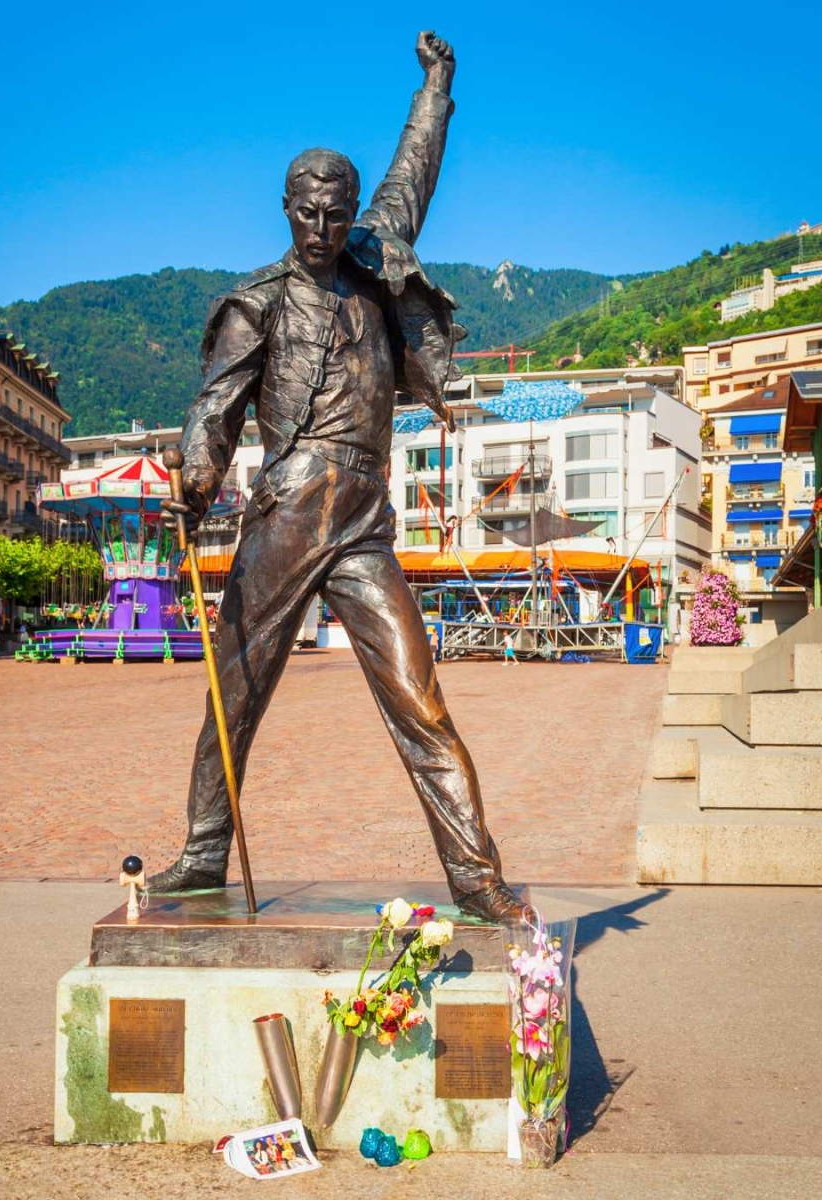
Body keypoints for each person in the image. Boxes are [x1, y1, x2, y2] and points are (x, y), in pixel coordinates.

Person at [150, 32, 520, 921]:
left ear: (351, 209)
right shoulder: (257, 300)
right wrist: (198, 473)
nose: (321, 229)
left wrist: (437, 85)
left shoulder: (374, 254)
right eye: (307, 214)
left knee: (418, 697)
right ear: (285, 208)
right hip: (284, 512)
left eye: (335, 214)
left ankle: (476, 876)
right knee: (235, 692)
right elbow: (214, 407)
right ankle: (203, 856)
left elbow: (414, 169)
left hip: (362, 517)